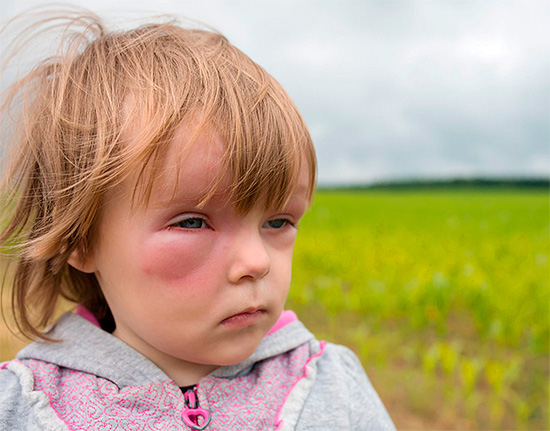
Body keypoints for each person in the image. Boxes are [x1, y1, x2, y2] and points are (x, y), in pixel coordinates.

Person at [0, 7, 395, 430]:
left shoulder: (332, 387)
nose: (257, 262)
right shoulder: (23, 407)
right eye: (192, 222)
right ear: (79, 238)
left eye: (278, 222)